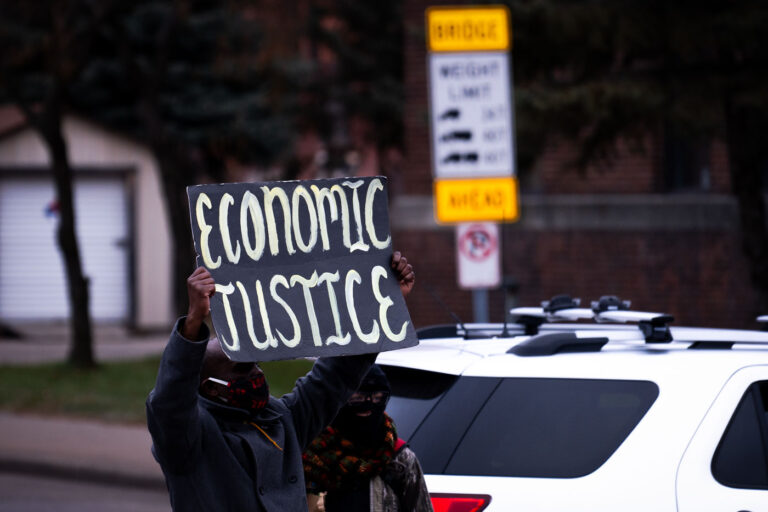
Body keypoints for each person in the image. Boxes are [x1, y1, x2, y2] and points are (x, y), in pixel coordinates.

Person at [146, 251, 415, 512]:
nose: (256, 374)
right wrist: (193, 322)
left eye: (255, 364)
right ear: (211, 387)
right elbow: (169, 404)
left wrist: (385, 305)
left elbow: (335, 376)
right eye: (242, 369)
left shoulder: (281, 421)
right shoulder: (189, 438)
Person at [303, 365, 433, 512]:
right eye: (358, 399)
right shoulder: (313, 454)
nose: (368, 405)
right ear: (341, 398)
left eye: (377, 398)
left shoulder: (399, 459)